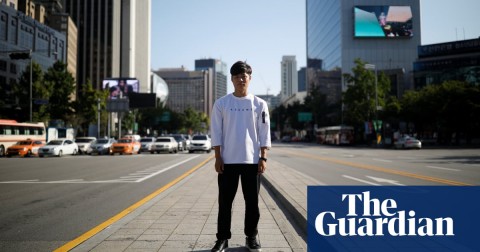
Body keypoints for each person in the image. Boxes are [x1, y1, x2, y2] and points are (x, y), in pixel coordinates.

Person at [210, 61, 271, 252]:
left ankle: (251, 237)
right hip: (227, 161)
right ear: (232, 79)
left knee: (252, 203)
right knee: (224, 203)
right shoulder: (222, 103)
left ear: (250, 78)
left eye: (244, 76)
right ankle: (222, 239)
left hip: (252, 162)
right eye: (237, 76)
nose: (241, 79)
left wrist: (263, 157)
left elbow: (264, 131)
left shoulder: (259, 104)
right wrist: (218, 157)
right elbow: (216, 132)